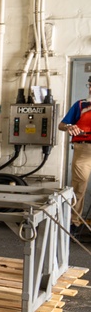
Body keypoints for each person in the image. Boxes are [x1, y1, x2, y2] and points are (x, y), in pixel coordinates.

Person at [59, 77, 91, 235]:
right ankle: (73, 222)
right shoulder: (80, 105)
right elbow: (62, 125)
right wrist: (69, 127)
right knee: (79, 186)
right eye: (90, 85)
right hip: (84, 148)